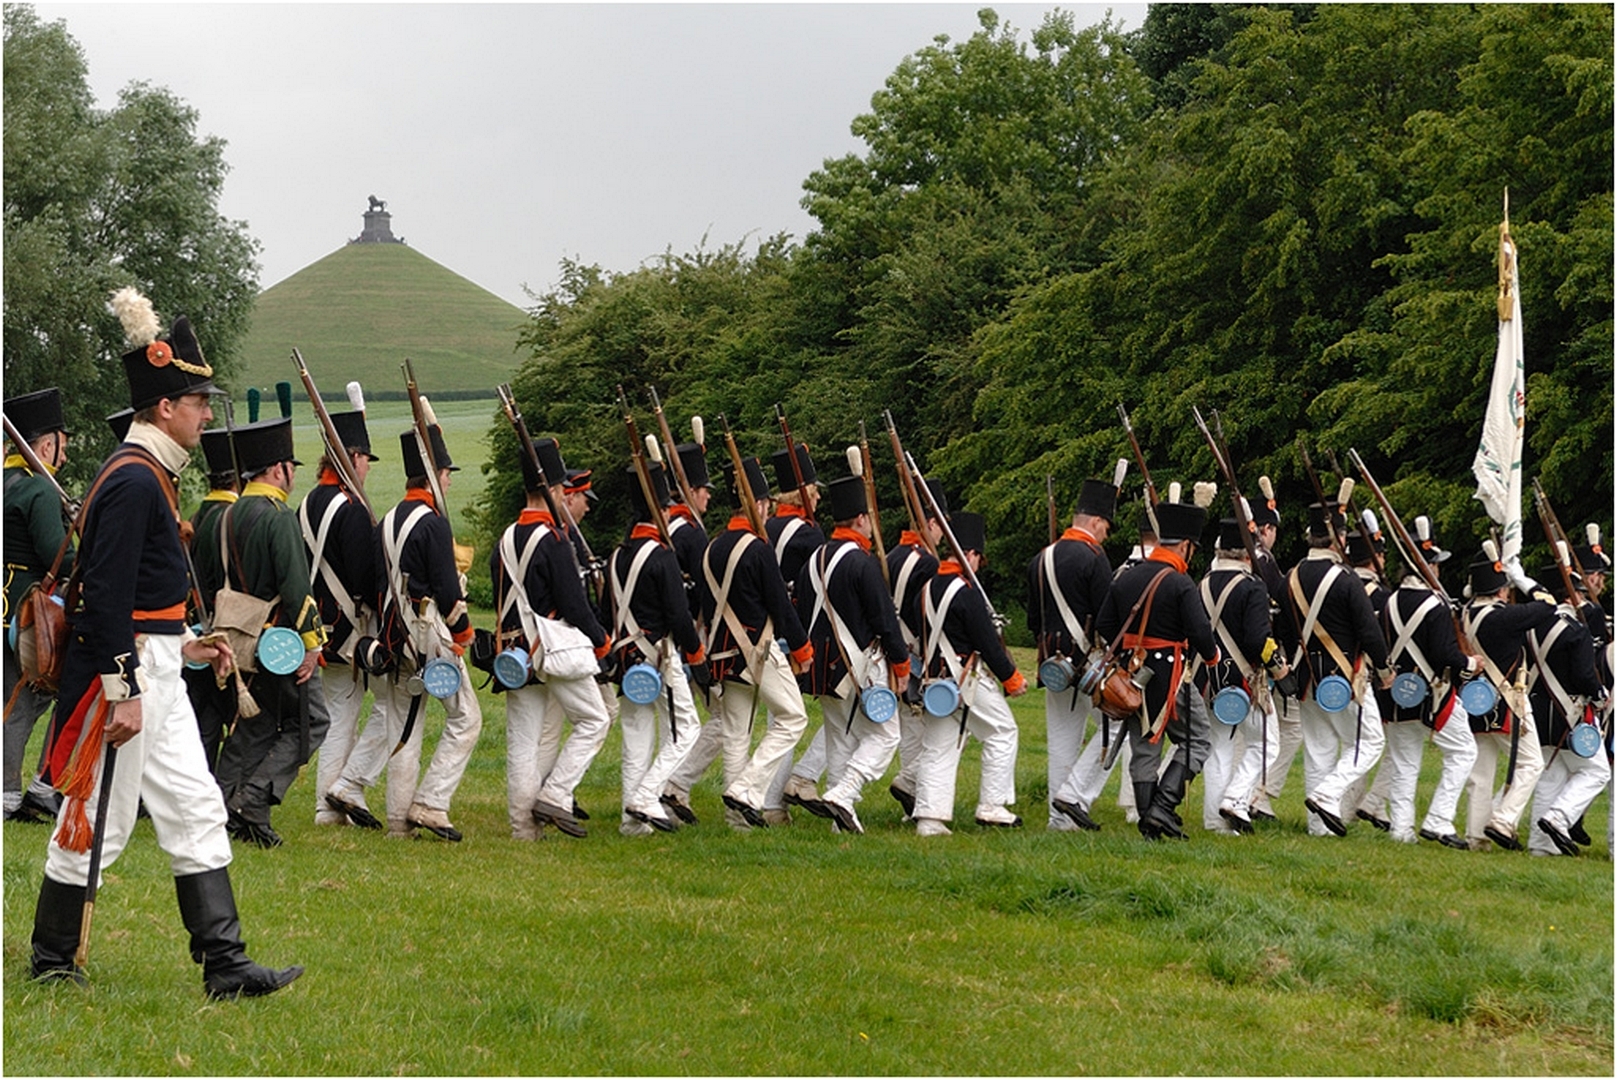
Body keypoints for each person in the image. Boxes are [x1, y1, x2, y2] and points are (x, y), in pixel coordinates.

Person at [29, 290, 300, 997]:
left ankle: (226, 965)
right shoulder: (133, 480)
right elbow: (105, 598)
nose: (207, 413)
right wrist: (123, 691)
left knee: (196, 807)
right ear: (165, 407)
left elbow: (144, 599)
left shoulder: (151, 474)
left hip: (156, 668)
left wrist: (183, 643)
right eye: (198, 401)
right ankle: (53, 960)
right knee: (99, 821)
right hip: (127, 680)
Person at [324, 425, 478, 841]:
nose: (449, 481)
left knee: (403, 730)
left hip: (392, 638)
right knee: (466, 718)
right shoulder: (434, 524)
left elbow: (378, 586)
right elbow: (448, 592)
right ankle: (431, 802)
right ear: (433, 475)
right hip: (429, 636)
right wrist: (463, 633)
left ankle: (397, 824)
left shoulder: (387, 521)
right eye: (446, 474)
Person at [203, 417, 329, 848]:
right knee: (312, 721)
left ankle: (221, 806)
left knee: (255, 725)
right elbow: (296, 588)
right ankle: (253, 799)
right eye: (290, 467)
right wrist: (312, 644)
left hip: (235, 636)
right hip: (278, 640)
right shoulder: (278, 517)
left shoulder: (226, 515)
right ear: (279, 469)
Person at [492, 440, 613, 839]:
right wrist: (600, 640)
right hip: (551, 647)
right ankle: (557, 794)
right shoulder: (554, 539)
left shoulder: (507, 537)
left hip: (515, 650)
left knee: (523, 742)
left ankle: (523, 829)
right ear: (556, 490)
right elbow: (574, 604)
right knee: (594, 720)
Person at [1093, 491, 1219, 840]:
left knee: (1145, 745)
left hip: (1133, 675)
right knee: (1198, 740)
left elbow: (1105, 625)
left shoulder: (1126, 576)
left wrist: (1132, 653)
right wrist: (1212, 657)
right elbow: (1199, 631)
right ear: (1185, 545)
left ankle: (1150, 821)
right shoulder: (1179, 582)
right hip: (1171, 675)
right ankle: (1162, 807)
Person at [790, 474, 910, 833]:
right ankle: (845, 792)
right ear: (860, 518)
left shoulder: (814, 559)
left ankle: (840, 821)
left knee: (841, 738)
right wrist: (901, 663)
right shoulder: (862, 562)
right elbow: (884, 620)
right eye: (869, 517)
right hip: (860, 665)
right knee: (886, 735)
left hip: (823, 667)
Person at [698, 454, 813, 829]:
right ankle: (747, 790)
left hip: (722, 653)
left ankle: (738, 821)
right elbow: (780, 605)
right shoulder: (758, 548)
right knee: (793, 718)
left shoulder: (712, 547)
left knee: (735, 735)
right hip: (756, 650)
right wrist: (802, 649)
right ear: (759, 504)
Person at [1354, 517, 1479, 848]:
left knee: (1405, 763)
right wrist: (1470, 663)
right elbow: (1444, 654)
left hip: (1395, 694)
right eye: (1435, 564)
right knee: (1464, 751)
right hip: (1431, 695)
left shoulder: (1389, 600)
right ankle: (1439, 819)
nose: (1438, 570)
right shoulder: (1435, 605)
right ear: (1428, 567)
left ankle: (1402, 829)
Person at [297, 393, 387, 827]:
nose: (367, 468)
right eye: (365, 459)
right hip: (350, 629)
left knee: (339, 715)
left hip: (318, 628)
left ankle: (332, 805)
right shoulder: (350, 510)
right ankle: (335, 799)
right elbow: (364, 577)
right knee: (366, 711)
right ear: (352, 457)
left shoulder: (306, 503)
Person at [602, 460, 704, 835]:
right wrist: (695, 652)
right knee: (687, 730)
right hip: (660, 657)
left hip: (628, 658)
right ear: (660, 511)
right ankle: (646, 796)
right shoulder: (662, 556)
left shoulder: (616, 556)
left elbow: (606, 612)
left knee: (636, 738)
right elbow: (678, 615)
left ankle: (631, 823)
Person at [912, 512, 1026, 835]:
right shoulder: (966, 592)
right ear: (971, 554)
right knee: (1003, 732)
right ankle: (992, 804)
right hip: (964, 679)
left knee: (938, 747)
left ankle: (929, 819)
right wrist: (1011, 678)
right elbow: (987, 643)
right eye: (979, 558)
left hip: (935, 680)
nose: (978, 565)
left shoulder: (926, 588)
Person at [1285, 501, 1392, 837]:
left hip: (1305, 678)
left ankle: (1320, 828)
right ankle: (1327, 794)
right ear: (1339, 538)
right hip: (1345, 676)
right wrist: (1385, 669)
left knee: (1319, 750)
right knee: (1370, 741)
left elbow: (1284, 630)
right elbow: (1369, 631)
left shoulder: (1290, 576)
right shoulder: (1346, 579)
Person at [1030, 475, 1118, 832]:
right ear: (1095, 521)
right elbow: (1107, 617)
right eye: (1106, 528)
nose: (1105, 535)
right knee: (1117, 727)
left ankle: (1059, 819)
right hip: (1088, 661)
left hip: (1051, 663)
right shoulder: (1094, 557)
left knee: (1061, 741)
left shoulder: (1040, 558)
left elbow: (1033, 620)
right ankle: (1076, 795)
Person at [4, 387, 73, 823]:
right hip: (25, 614)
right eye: (61, 445)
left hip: (7, 604)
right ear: (46, 446)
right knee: (21, 703)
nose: (64, 455)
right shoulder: (38, 491)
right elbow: (58, 556)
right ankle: (11, 796)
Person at [1460, 548, 1558, 851]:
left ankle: (1476, 836)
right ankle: (1503, 820)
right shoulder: (1503, 617)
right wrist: (1524, 580)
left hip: (1478, 699)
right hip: (1507, 701)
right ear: (1501, 589)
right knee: (1532, 763)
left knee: (1481, 772)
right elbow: (1549, 605)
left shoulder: (1467, 613)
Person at [1196, 517, 1287, 835]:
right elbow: (1257, 640)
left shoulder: (1203, 583)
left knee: (1219, 748)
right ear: (1247, 554)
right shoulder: (1252, 586)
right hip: (1244, 680)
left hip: (1208, 678)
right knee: (1267, 744)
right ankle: (1235, 799)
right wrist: (1278, 667)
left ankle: (1215, 821)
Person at [1524, 567, 1606, 856]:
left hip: (1537, 713)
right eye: (1579, 593)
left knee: (1551, 776)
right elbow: (1584, 676)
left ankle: (1540, 845)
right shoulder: (1576, 630)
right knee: (1598, 772)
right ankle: (1559, 818)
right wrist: (1599, 694)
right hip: (1568, 714)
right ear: (1570, 597)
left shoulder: (1531, 628)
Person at [883, 479, 947, 817]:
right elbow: (929, 617)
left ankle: (914, 802)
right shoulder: (928, 563)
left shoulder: (892, 555)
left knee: (911, 729)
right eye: (941, 526)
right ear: (931, 523)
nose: (943, 534)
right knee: (932, 731)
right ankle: (913, 788)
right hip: (918, 655)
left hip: (891, 652)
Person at [183, 428, 241, 775]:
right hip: (221, 631)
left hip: (195, 626)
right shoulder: (230, 518)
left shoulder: (198, 514)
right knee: (228, 719)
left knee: (202, 719)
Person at [1248, 477, 1304, 822]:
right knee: (1290, 729)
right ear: (1266, 529)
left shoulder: (1240, 557)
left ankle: (1249, 795)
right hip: (1266, 654)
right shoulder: (1263, 559)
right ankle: (1258, 795)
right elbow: (1280, 607)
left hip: (1245, 653)